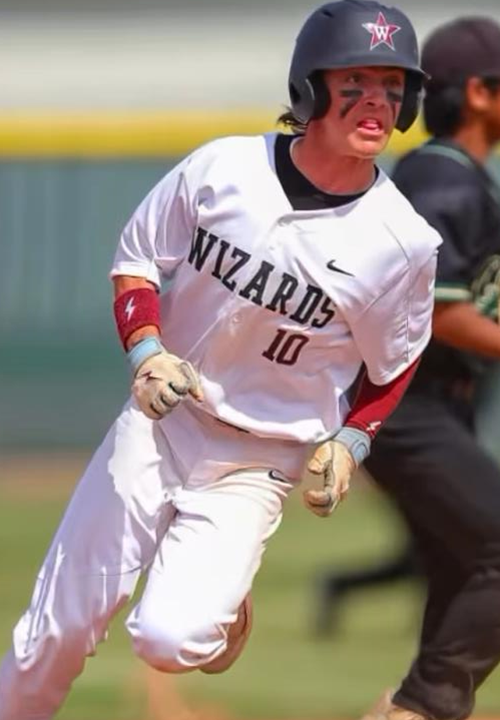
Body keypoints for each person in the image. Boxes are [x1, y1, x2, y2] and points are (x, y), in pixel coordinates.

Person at [0, 2, 441, 718]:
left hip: (260, 458)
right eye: (355, 82)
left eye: (393, 87)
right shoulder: (224, 167)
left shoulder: (402, 242)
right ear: (310, 87)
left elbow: (395, 363)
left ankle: (222, 611)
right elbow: (139, 261)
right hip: (161, 424)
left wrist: (352, 441)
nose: (377, 103)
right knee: (57, 630)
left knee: (168, 641)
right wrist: (147, 351)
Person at [356, 16, 500, 720]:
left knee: (461, 568)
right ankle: (418, 709)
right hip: (407, 407)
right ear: (478, 93)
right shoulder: (443, 181)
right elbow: (440, 313)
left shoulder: (451, 177)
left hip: (430, 406)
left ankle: (421, 707)